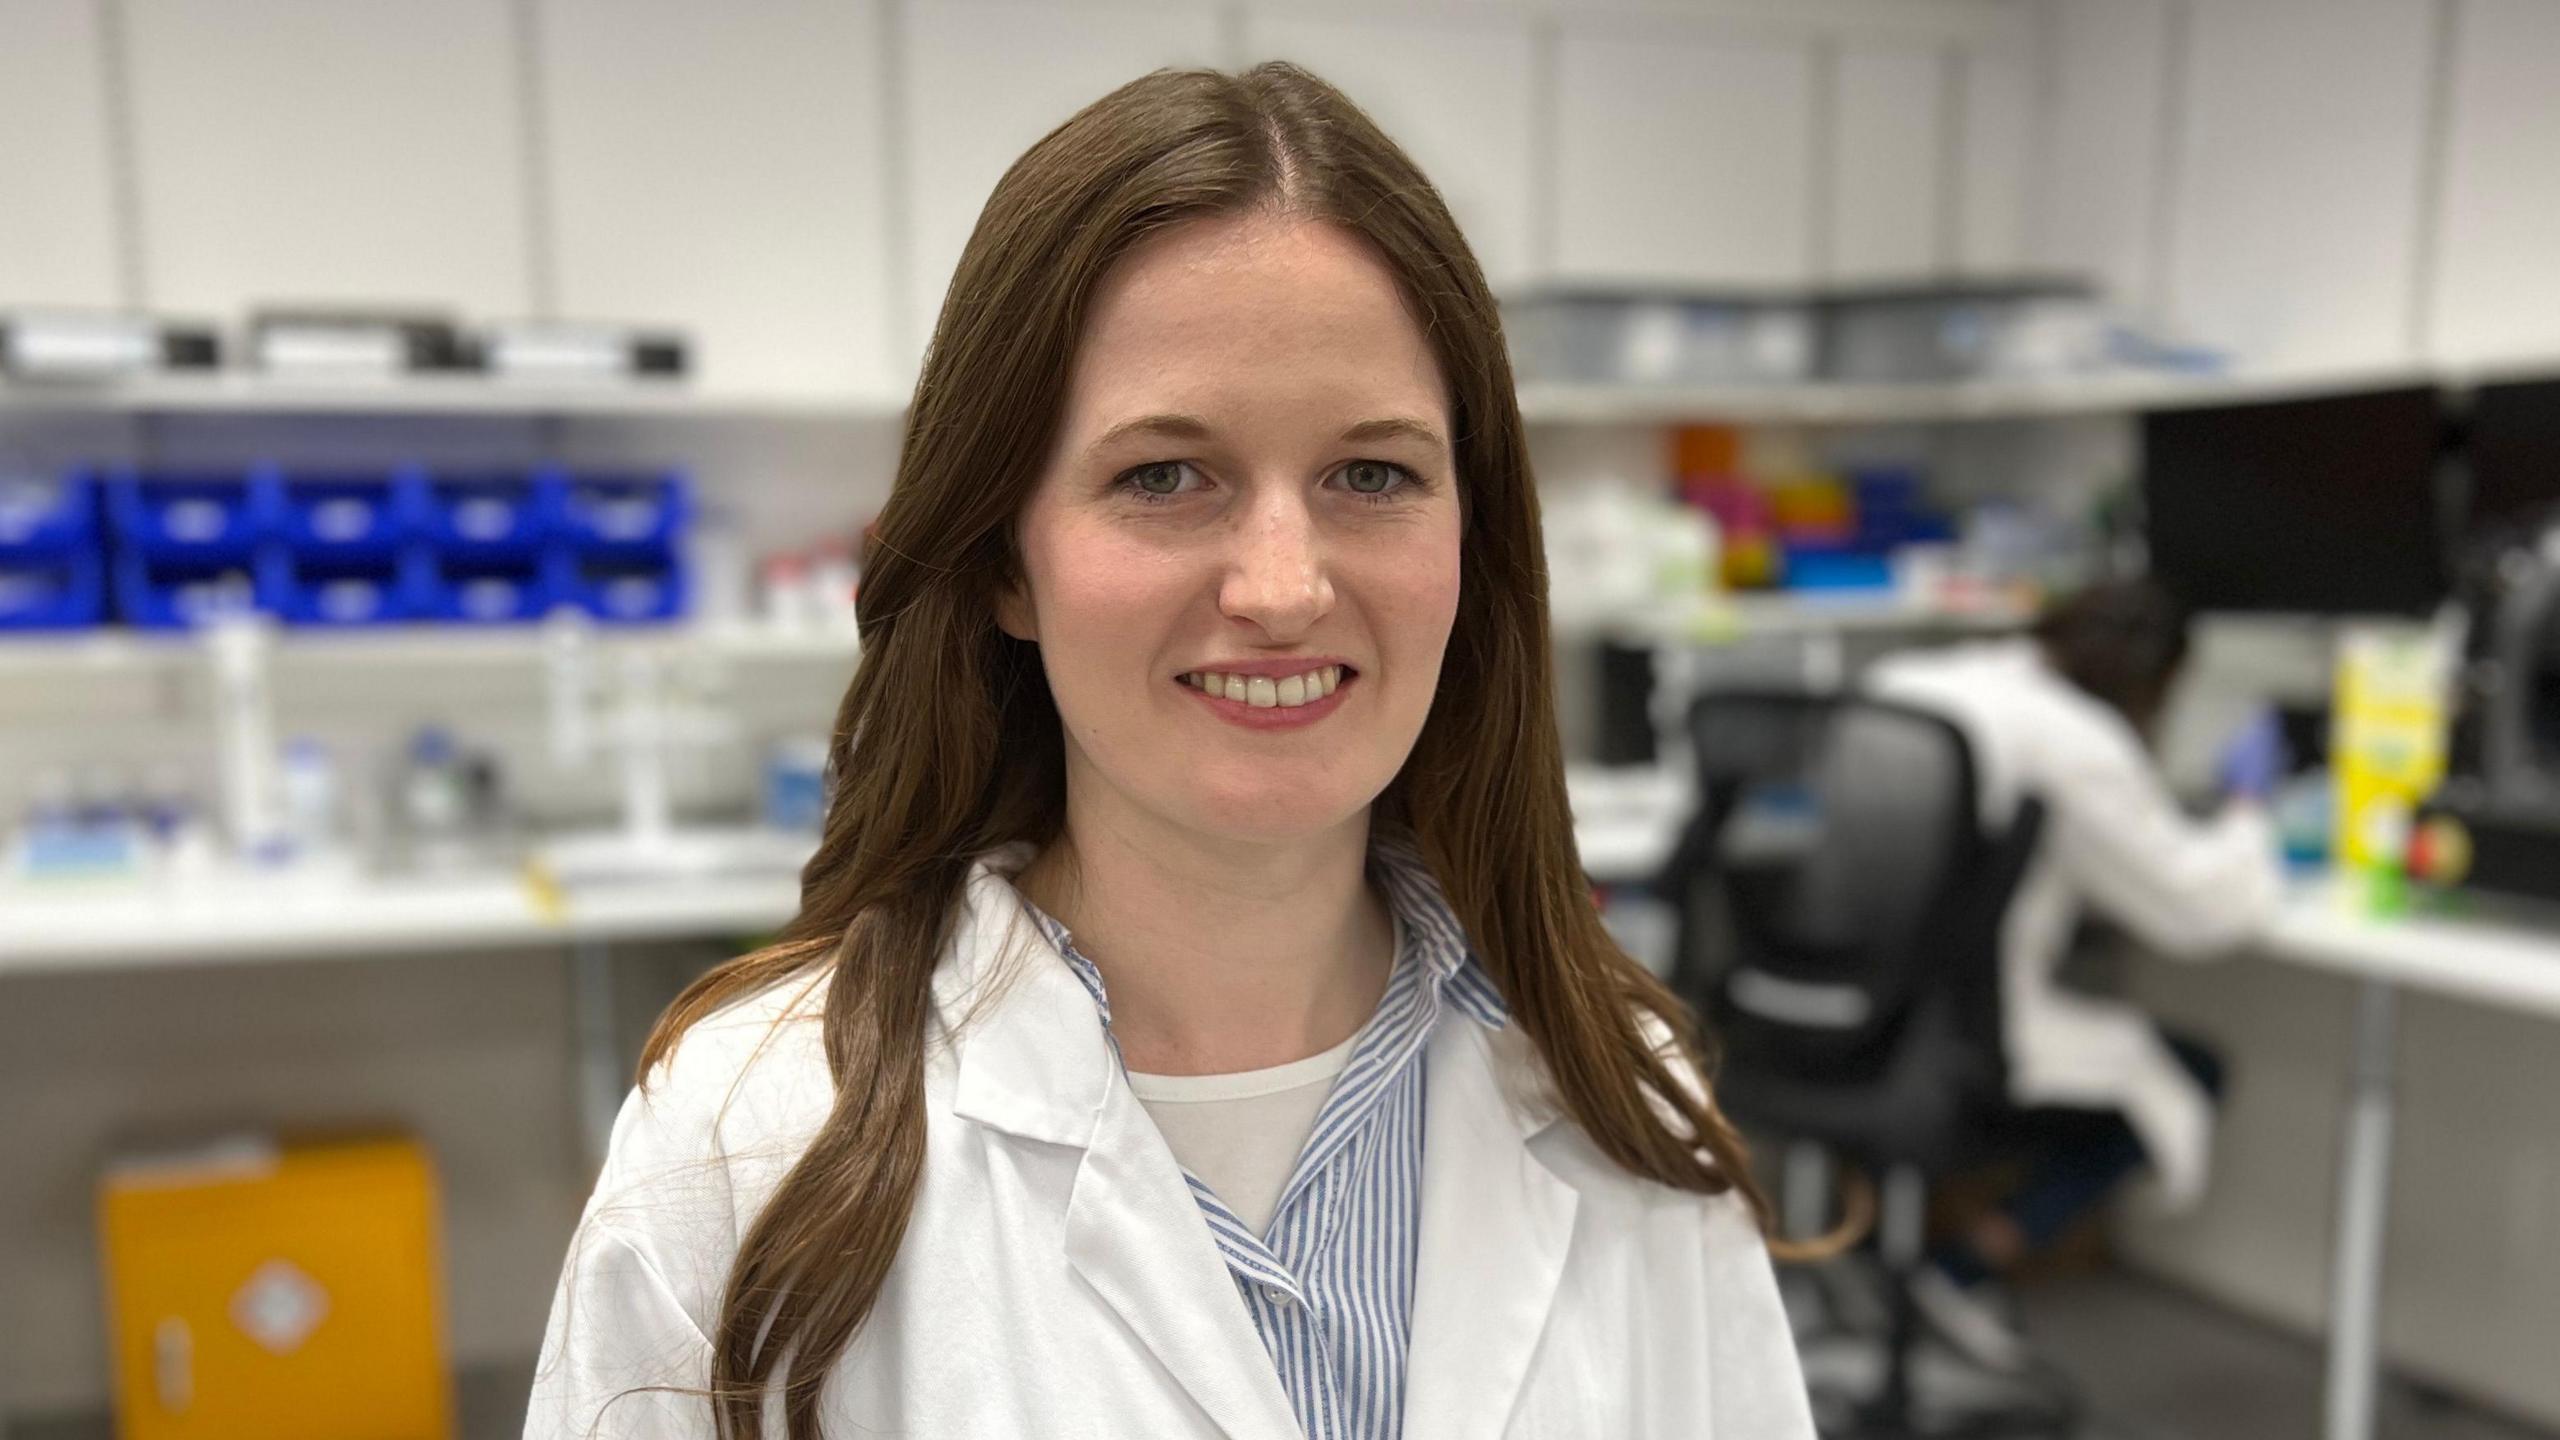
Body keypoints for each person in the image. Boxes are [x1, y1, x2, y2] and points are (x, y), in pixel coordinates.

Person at [526, 63, 1813, 1440]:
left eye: (1371, 474)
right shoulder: (745, 1148)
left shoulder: (1621, 1100)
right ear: (1006, 562)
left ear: (1467, 542)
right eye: (1163, 476)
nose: (1282, 587)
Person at [1864, 579, 2286, 1368]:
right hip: (1955, 1043)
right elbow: (2194, 909)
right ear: (2151, 684)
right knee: (2186, 1076)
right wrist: (2249, 808)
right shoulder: (2076, 739)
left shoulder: (1913, 681)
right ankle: (1960, 1267)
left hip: (1838, 1022)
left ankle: (1912, 1278)